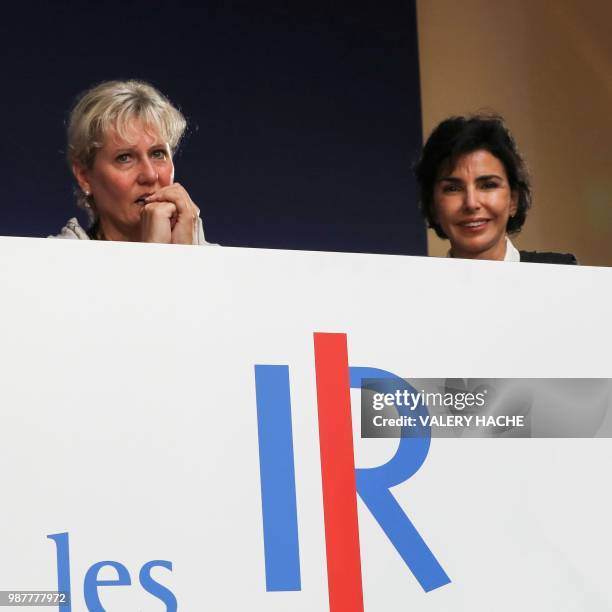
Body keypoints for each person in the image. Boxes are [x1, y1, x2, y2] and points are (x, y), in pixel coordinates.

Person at [54, 80, 210, 244]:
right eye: (125, 158)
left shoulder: (227, 267)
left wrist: (191, 256)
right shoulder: (48, 262)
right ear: (84, 177)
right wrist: (159, 256)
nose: (150, 175)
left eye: (158, 154)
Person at [414, 114, 576, 263]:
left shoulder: (563, 274)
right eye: (453, 188)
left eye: (488, 185)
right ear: (433, 206)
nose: (471, 203)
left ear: (513, 200)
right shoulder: (413, 290)